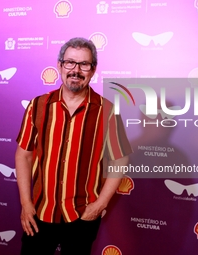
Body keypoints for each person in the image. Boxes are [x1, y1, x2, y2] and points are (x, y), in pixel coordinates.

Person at [15, 37, 132, 255]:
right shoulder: (38, 105)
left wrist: (99, 205)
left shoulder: (107, 111)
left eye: (84, 64)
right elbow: (24, 155)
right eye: (70, 62)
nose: (76, 70)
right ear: (59, 65)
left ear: (93, 70)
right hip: (39, 212)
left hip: (82, 215)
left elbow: (120, 158)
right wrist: (25, 203)